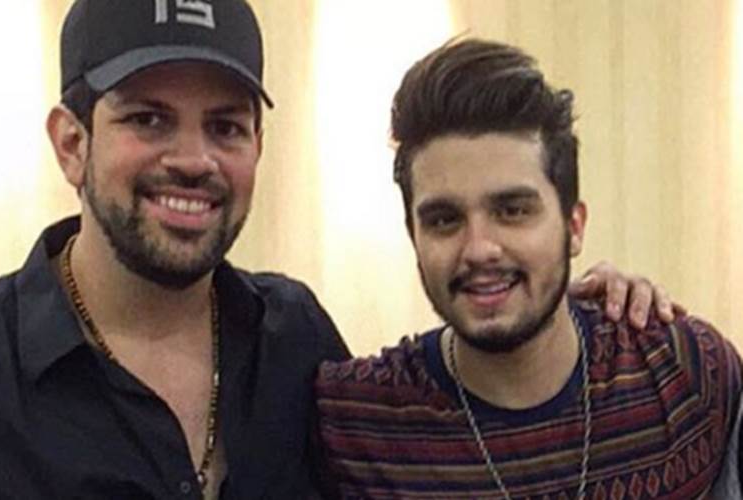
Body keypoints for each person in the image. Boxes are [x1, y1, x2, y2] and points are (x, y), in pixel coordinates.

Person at [0, 2, 675, 499]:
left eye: (226, 127)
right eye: (148, 119)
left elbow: (450, 423)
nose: (194, 159)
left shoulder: (294, 335)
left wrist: (569, 310)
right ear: (72, 143)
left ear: (257, 146)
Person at [315, 39, 742, 499]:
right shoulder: (355, 419)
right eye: (444, 220)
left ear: (573, 226)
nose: (479, 249)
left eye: (513, 211)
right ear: (413, 235)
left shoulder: (685, 371)